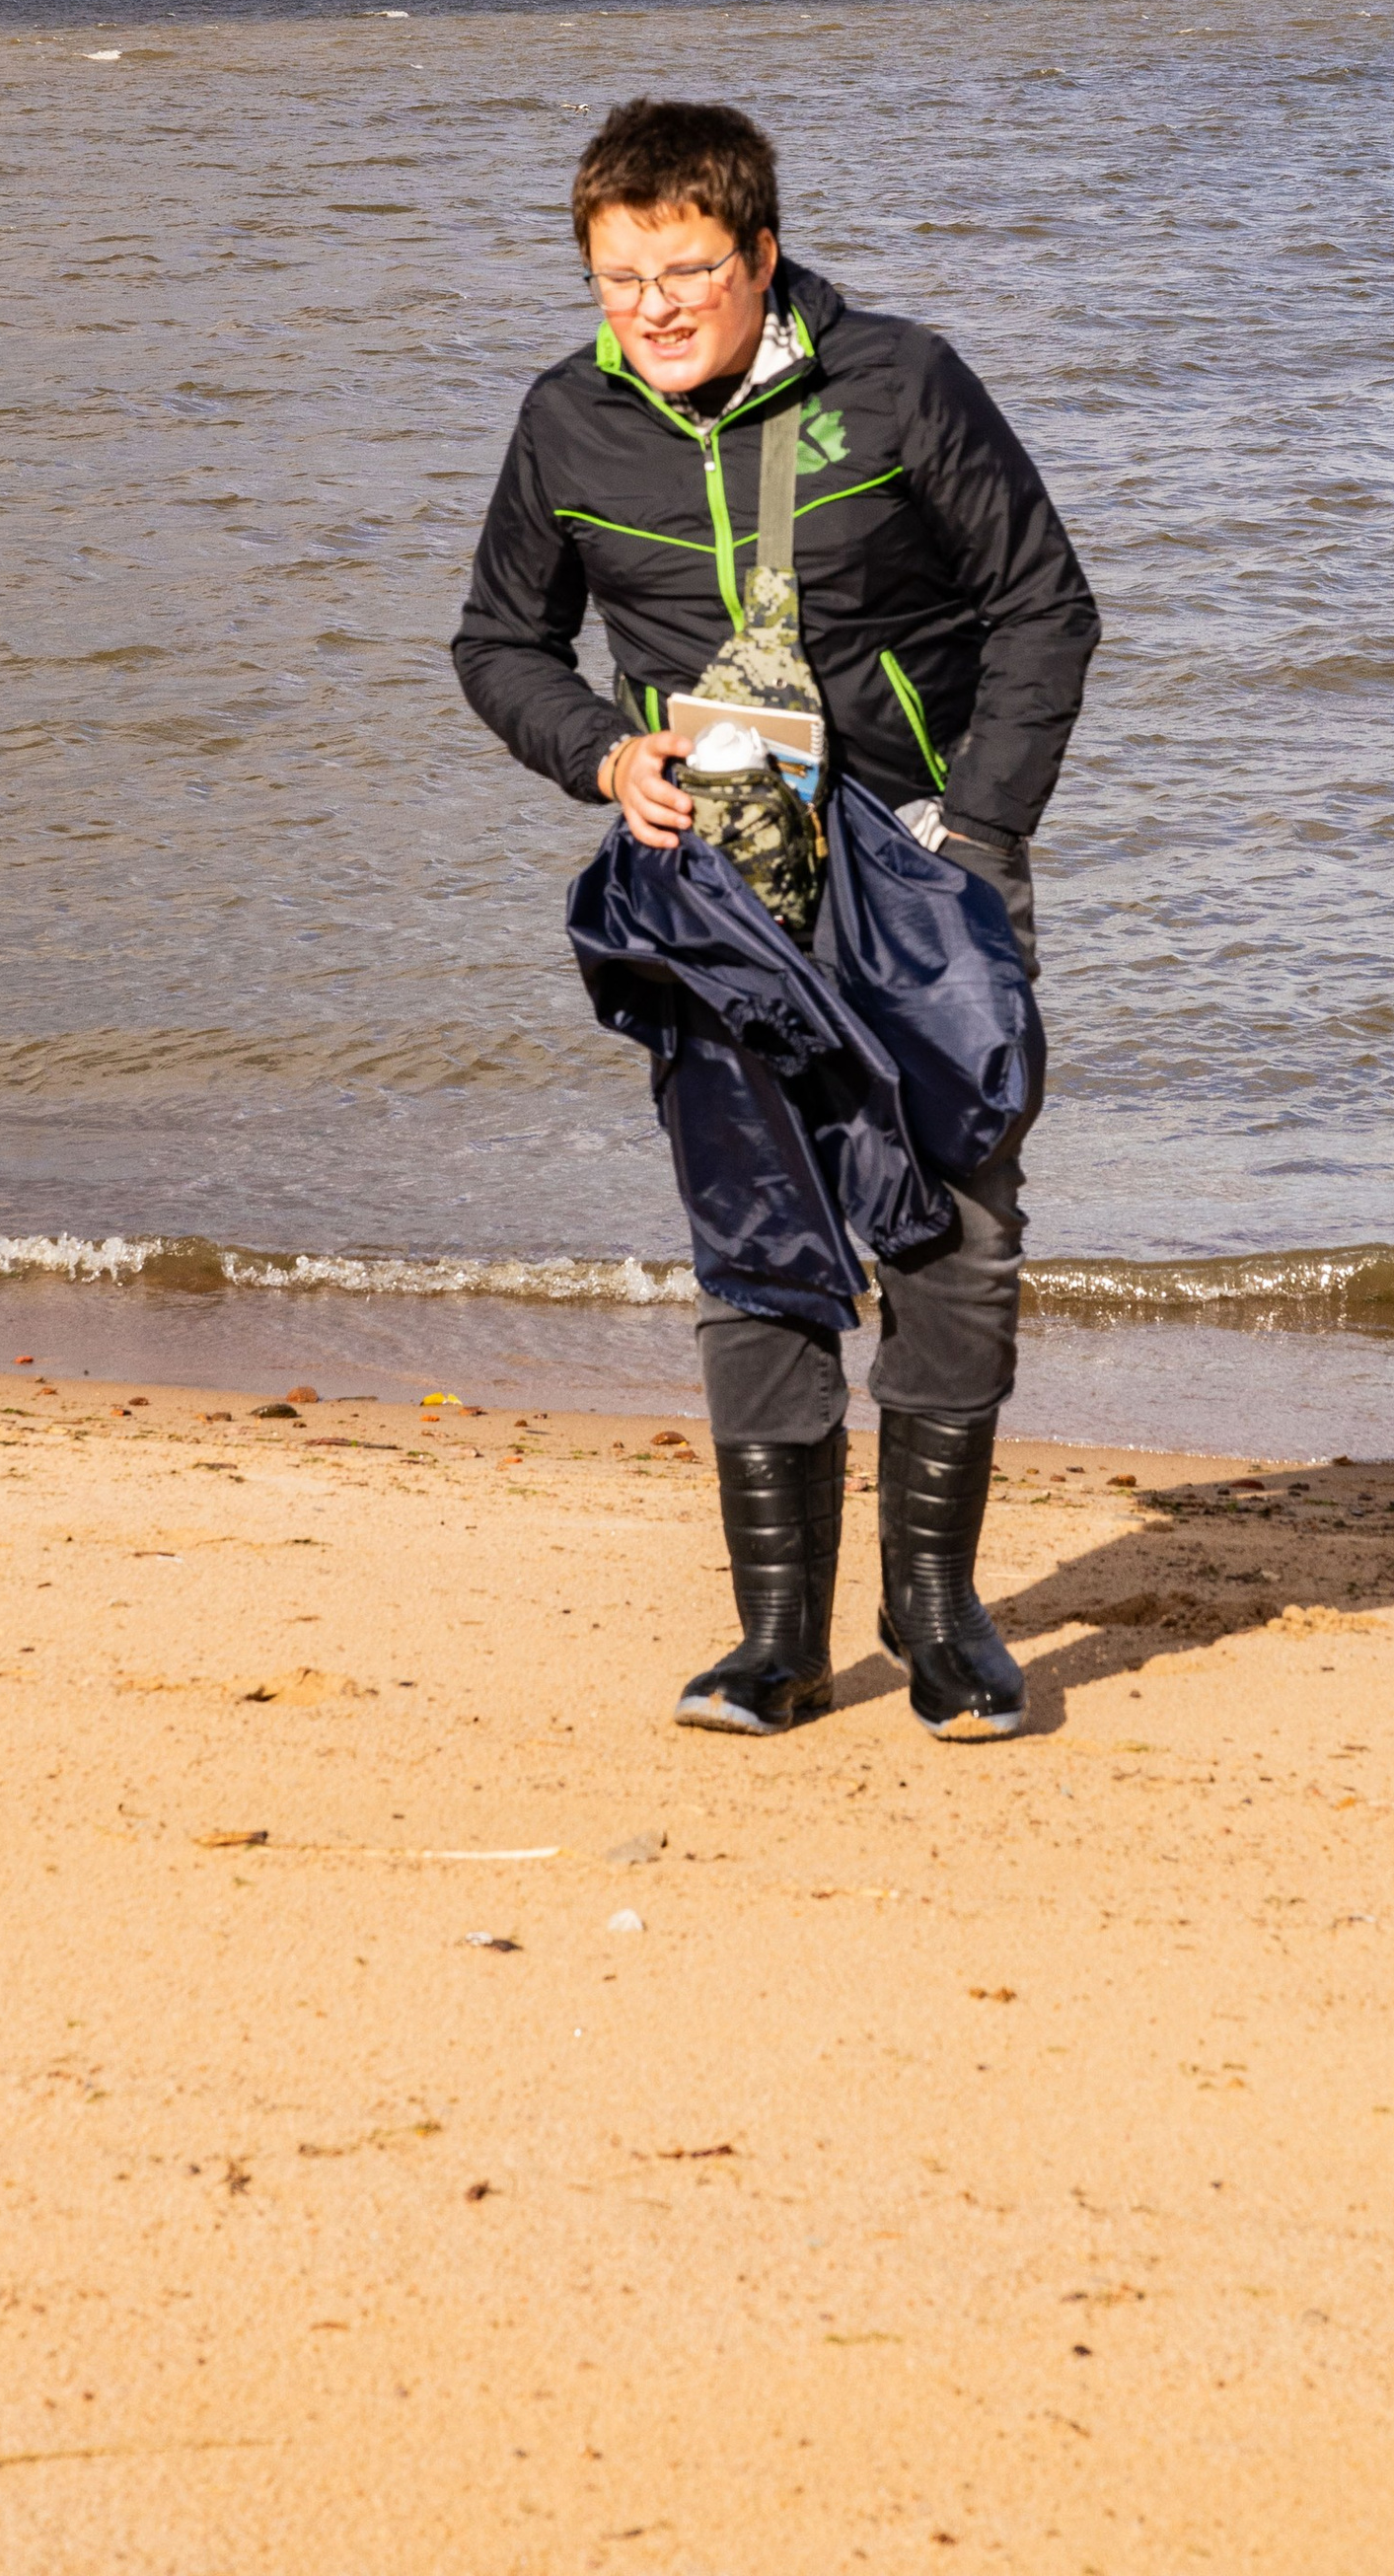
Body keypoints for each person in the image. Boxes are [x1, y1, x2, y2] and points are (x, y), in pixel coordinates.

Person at [453, 96, 1099, 1737]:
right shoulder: (565, 425)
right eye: (617, 279)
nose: (651, 308)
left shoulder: (902, 383)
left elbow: (1044, 601)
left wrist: (983, 821)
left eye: (682, 271)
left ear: (760, 253)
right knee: (760, 1226)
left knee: (957, 1218)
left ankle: (938, 1614)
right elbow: (497, 645)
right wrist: (600, 756)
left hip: (915, 860)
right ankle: (781, 1639)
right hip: (711, 874)